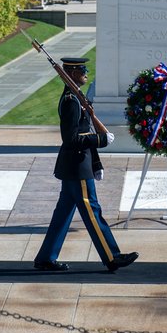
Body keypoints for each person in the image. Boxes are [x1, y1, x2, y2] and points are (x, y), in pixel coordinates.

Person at [33, 56, 138, 273]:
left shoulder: (76, 98)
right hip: (77, 167)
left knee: (63, 214)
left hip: (77, 165)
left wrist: (96, 163)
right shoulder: (72, 101)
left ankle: (46, 257)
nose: (86, 73)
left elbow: (83, 131)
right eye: (82, 70)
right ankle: (112, 256)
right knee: (92, 212)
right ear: (71, 74)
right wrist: (100, 140)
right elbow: (71, 139)